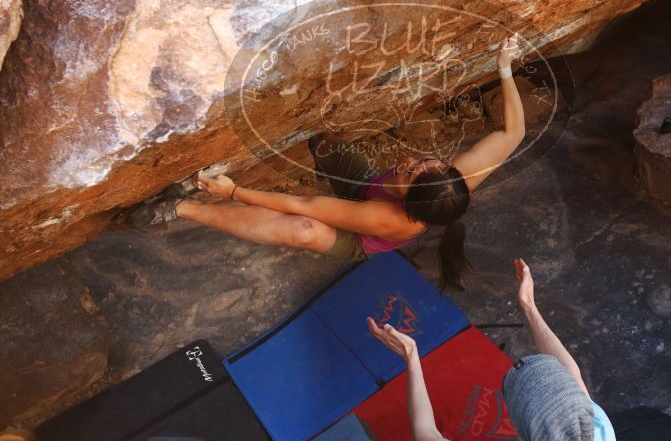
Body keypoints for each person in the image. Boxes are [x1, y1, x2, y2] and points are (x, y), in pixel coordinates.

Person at [127, 38, 526, 289]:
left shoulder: (388, 221)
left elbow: (304, 208)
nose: (408, 161)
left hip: (357, 235)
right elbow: (513, 135)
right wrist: (505, 67)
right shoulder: (453, 181)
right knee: (325, 144)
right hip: (365, 188)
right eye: (423, 160)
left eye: (408, 172)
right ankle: (322, 155)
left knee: (304, 231)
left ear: (407, 201)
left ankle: (180, 207)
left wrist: (231, 191)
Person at [367, 258, 620, 441]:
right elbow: (571, 372)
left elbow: (426, 436)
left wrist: (411, 358)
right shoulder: (598, 430)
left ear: (514, 419)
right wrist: (528, 306)